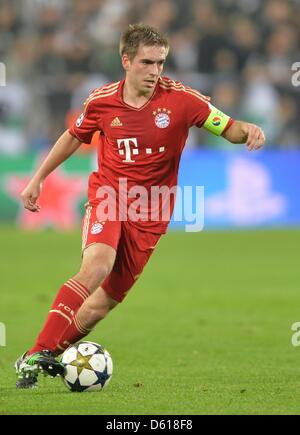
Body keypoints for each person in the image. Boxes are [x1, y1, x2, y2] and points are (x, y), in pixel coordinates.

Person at [15, 24, 265, 389]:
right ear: (126, 61)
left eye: (161, 63)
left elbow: (228, 128)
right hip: (110, 198)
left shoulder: (183, 101)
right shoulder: (101, 101)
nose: (155, 71)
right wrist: (38, 177)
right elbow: (73, 136)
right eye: (147, 62)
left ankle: (37, 358)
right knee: (96, 266)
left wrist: (249, 130)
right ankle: (40, 349)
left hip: (152, 213)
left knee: (102, 305)